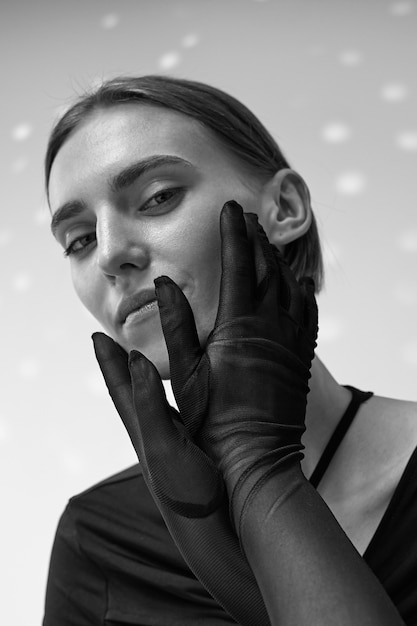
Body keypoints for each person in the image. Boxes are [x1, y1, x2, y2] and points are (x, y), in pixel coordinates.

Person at [43, 75, 417, 625]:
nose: (110, 254)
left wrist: (258, 470)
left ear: (284, 207)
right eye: (79, 239)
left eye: (157, 198)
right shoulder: (99, 540)